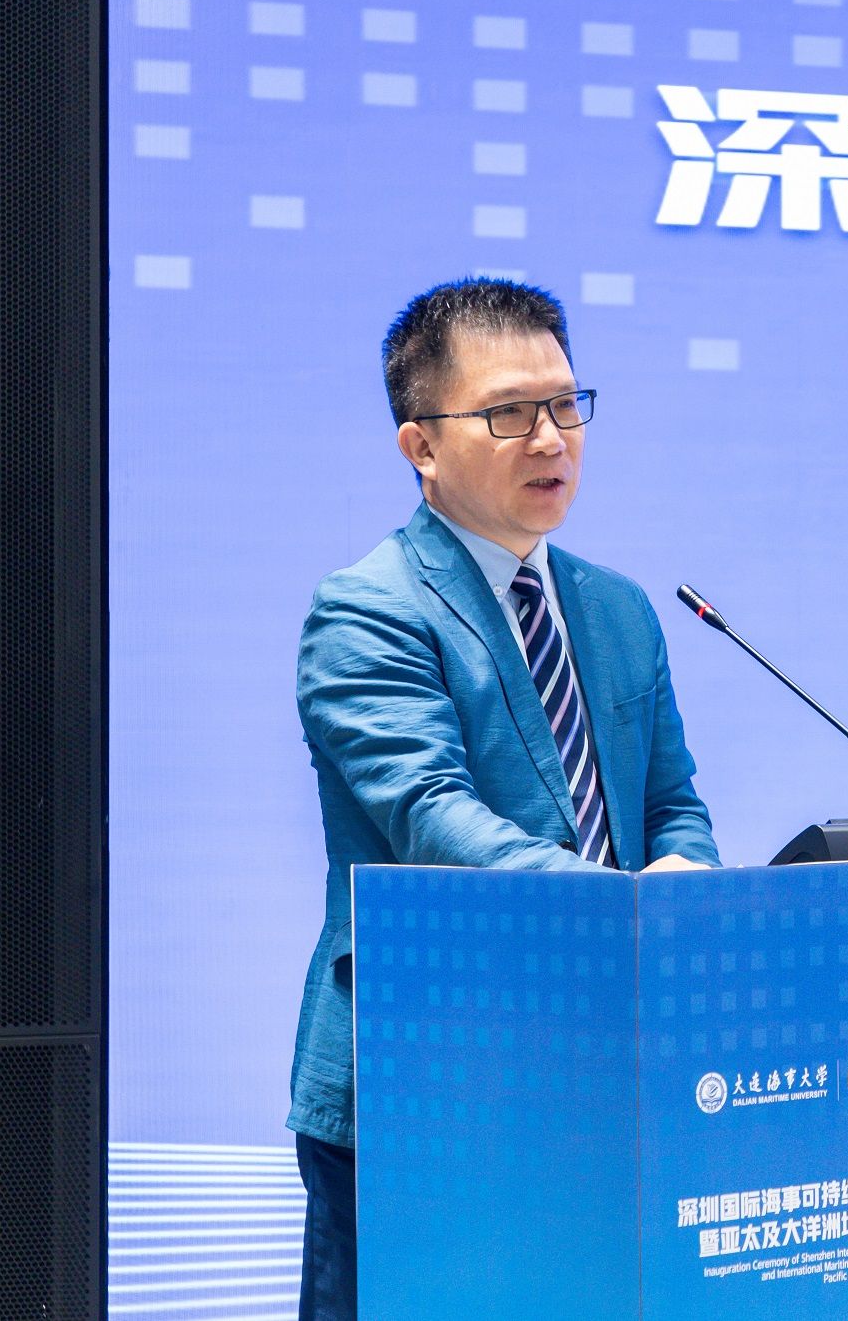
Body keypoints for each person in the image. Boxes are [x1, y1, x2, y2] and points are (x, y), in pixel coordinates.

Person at [284, 277, 719, 1319]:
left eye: (566, 404)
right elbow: (434, 817)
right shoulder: (369, 610)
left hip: (601, 1076)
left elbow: (671, 801)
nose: (551, 438)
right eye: (509, 413)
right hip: (427, 1080)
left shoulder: (617, 607)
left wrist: (685, 879)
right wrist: (621, 911)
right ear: (421, 446)